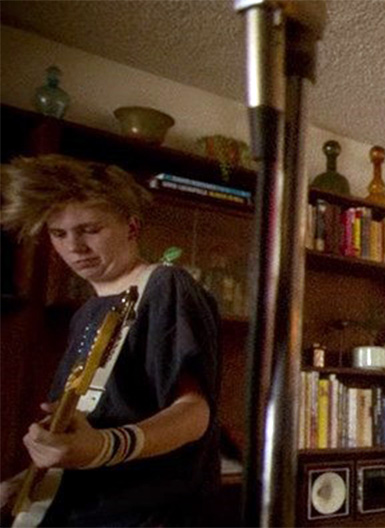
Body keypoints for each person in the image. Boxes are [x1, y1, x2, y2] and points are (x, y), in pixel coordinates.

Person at [0, 154, 221, 526]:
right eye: (59, 234)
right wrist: (27, 482)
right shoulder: (86, 314)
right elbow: (89, 425)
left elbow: (195, 412)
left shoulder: (165, 285)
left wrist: (103, 447)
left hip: (143, 515)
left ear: (131, 227)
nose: (74, 246)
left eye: (90, 229)